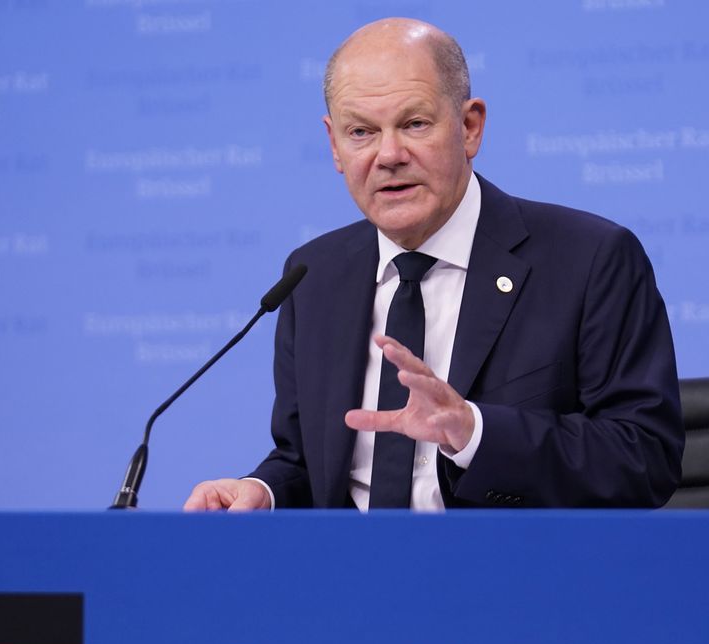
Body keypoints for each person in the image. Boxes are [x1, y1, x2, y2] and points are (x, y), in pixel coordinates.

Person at [184, 18, 682, 511]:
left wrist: (474, 432)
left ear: (470, 127)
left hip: (510, 578)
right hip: (351, 579)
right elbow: (304, 462)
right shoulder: (313, 275)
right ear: (334, 145)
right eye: (361, 132)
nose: (389, 155)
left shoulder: (589, 259)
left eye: (414, 123)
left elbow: (643, 456)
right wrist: (264, 492)